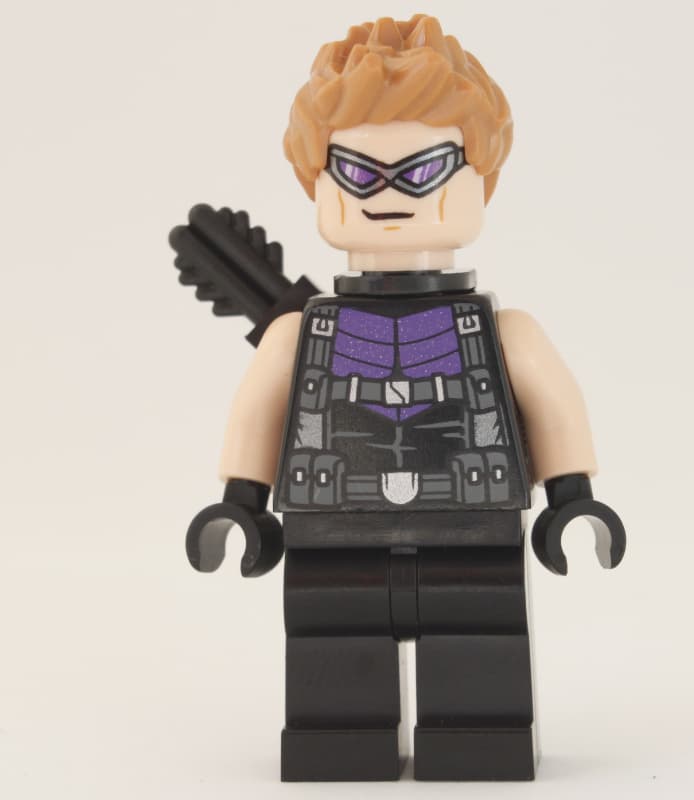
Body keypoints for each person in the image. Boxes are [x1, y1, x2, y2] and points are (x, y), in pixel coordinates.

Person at [187, 14, 626, 781]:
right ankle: (341, 739)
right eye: (356, 174)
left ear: (479, 179)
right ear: (319, 185)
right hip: (332, 534)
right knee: (331, 651)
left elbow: (554, 405)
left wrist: (571, 498)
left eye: (424, 171)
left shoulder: (505, 331)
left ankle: (479, 737)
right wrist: (241, 504)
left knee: (480, 646)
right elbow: (257, 411)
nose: (387, 195)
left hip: (474, 529)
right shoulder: (300, 334)